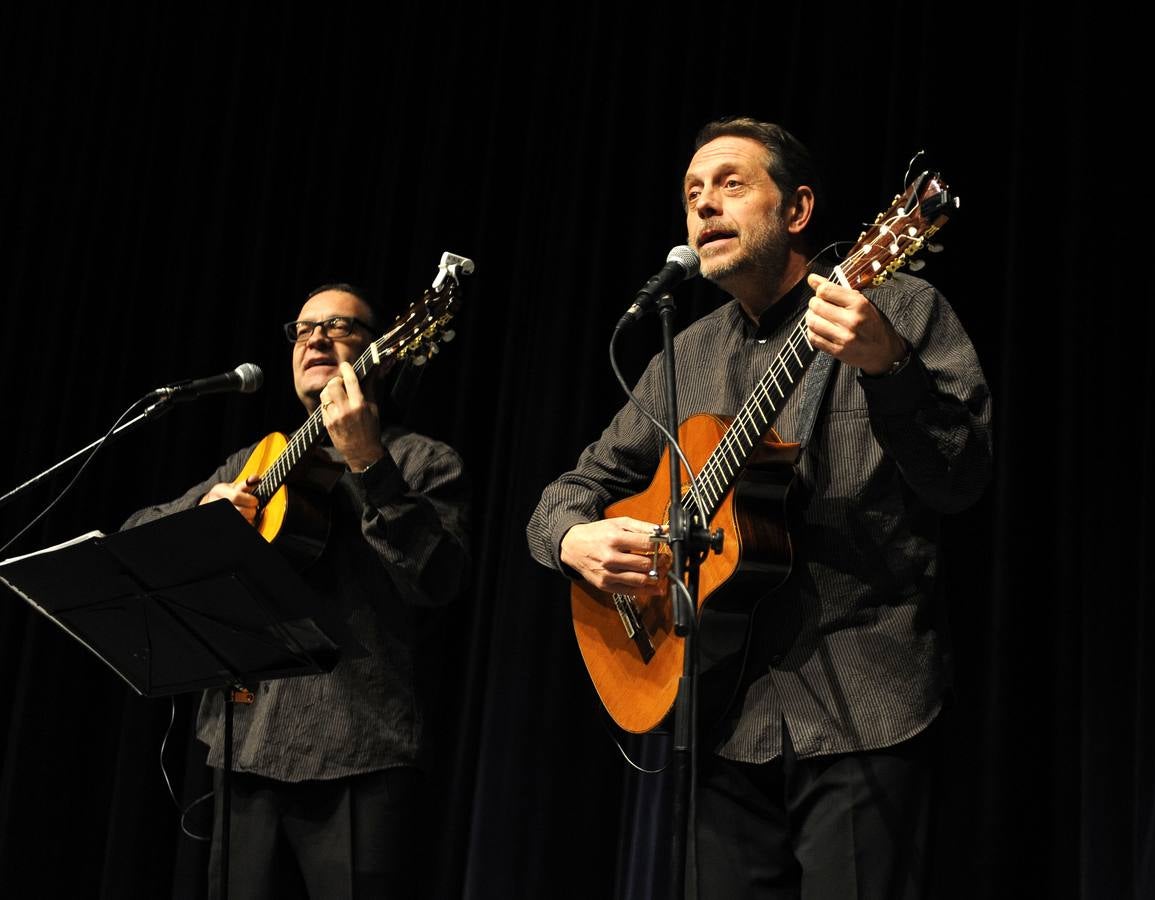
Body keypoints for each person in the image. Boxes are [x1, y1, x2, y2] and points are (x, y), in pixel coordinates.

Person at [525, 117, 991, 898]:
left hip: (863, 706)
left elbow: (962, 477)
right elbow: (565, 496)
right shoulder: (688, 352)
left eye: (730, 185)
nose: (704, 206)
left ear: (798, 209)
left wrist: (890, 367)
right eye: (691, 194)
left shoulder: (895, 305)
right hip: (720, 722)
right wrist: (574, 540)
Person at [124, 283, 470, 899]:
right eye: (304, 328)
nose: (315, 337)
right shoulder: (253, 463)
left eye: (339, 326)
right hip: (244, 749)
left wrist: (367, 461)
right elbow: (135, 540)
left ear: (385, 349)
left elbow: (437, 579)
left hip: (363, 753)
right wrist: (204, 513)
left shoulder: (422, 459)